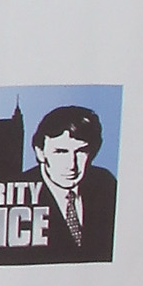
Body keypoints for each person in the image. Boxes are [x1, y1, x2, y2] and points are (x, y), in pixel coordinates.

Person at [30, 105, 117, 260]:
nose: (71, 165)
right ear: (40, 152)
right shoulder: (18, 191)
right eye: (60, 152)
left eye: (81, 151)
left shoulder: (105, 184)